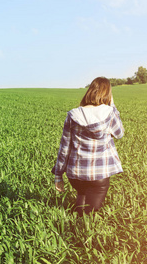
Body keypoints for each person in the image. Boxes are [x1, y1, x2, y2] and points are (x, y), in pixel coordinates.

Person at [52, 77, 124, 216]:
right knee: (91, 214)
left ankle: (72, 228)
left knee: (82, 199)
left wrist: (58, 175)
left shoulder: (73, 115)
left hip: (76, 174)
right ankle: (81, 233)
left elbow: (64, 148)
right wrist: (113, 107)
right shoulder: (109, 113)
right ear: (107, 94)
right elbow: (119, 133)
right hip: (99, 174)